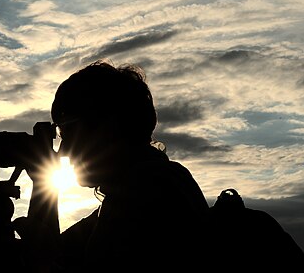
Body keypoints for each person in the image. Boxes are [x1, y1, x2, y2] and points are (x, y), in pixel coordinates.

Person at [13, 60, 211, 272]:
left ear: (108, 126)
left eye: (69, 133)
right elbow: (58, 249)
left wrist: (42, 261)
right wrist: (42, 181)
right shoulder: (149, 183)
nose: (63, 151)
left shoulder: (147, 191)